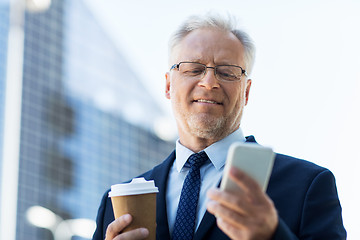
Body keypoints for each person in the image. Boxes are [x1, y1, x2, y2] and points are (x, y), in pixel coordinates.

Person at [92, 13, 346, 240]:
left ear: (246, 92)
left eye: (226, 72)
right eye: (193, 69)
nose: (209, 82)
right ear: (168, 85)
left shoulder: (308, 186)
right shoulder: (115, 204)